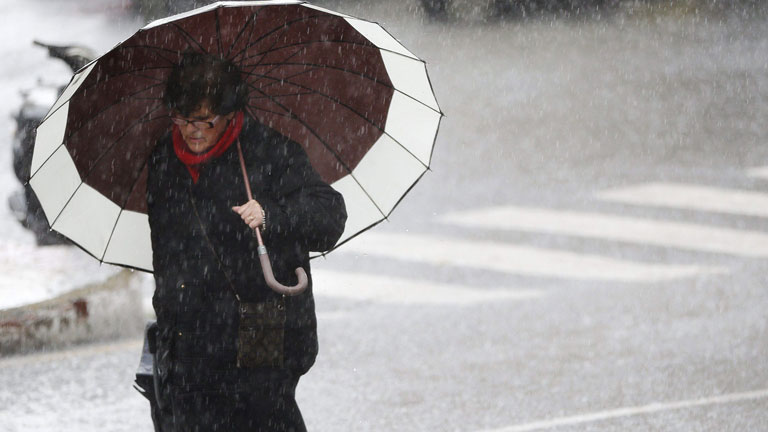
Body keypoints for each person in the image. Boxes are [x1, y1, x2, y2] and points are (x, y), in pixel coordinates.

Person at [146, 52, 347, 431]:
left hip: (261, 336)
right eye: (183, 118)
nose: (194, 130)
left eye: (206, 119)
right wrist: (167, 331)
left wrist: (272, 215)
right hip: (192, 345)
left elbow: (330, 216)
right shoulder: (163, 162)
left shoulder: (269, 152)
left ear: (230, 112)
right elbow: (166, 256)